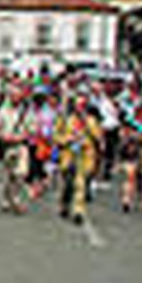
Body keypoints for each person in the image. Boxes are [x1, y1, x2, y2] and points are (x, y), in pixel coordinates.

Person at [53, 95, 102, 225]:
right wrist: (67, 139)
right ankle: (64, 203)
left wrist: (88, 126)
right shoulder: (65, 119)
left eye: (83, 105)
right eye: (78, 105)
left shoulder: (91, 120)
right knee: (68, 183)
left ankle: (78, 211)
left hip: (84, 156)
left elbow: (98, 137)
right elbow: (56, 136)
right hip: (68, 155)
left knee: (80, 184)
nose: (80, 108)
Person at [0, 84, 31, 214]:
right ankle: (7, 198)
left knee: (21, 173)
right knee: (10, 175)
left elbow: (32, 128)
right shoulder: (3, 110)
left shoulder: (25, 111)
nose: (16, 98)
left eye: (18, 96)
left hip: (21, 145)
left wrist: (23, 136)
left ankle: (16, 199)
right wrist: (3, 136)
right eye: (14, 96)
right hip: (7, 146)